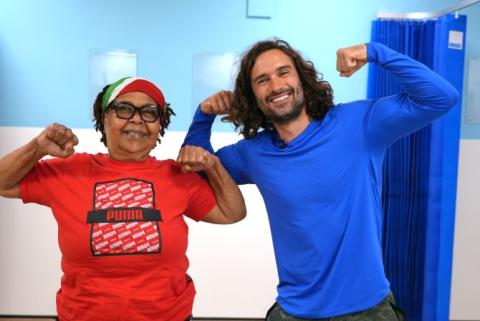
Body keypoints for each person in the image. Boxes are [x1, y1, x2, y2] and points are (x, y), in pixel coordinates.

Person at [182, 40, 459, 320]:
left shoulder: (359, 123)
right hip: (295, 310)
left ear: (302, 78)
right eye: (262, 80)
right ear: (252, 96)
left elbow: (441, 97)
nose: (276, 86)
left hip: (369, 310)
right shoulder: (254, 153)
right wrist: (204, 116)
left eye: (284, 72)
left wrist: (375, 52)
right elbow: (197, 173)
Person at [0, 77, 246, 321]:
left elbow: (232, 212)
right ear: (104, 117)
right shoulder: (69, 170)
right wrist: (38, 148)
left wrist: (213, 165)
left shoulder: (177, 174)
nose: (137, 118)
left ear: (159, 125)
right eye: (124, 109)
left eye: (149, 112)